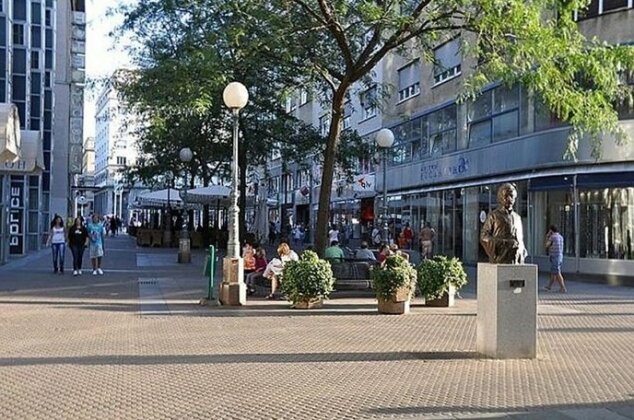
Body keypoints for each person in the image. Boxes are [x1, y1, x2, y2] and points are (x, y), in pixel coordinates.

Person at [480, 183, 527, 264]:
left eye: (512, 196)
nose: (509, 199)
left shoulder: (517, 218)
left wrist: (521, 249)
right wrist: (504, 243)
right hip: (500, 258)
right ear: (500, 198)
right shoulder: (493, 216)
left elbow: (520, 240)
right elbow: (483, 237)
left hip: (516, 260)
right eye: (506, 196)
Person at [544, 225, 567, 293]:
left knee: (557, 272)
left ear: (551, 230)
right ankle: (549, 286)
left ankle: (563, 287)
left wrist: (547, 237)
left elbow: (546, 245)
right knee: (554, 272)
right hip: (560, 256)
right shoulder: (560, 237)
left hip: (555, 256)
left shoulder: (552, 237)